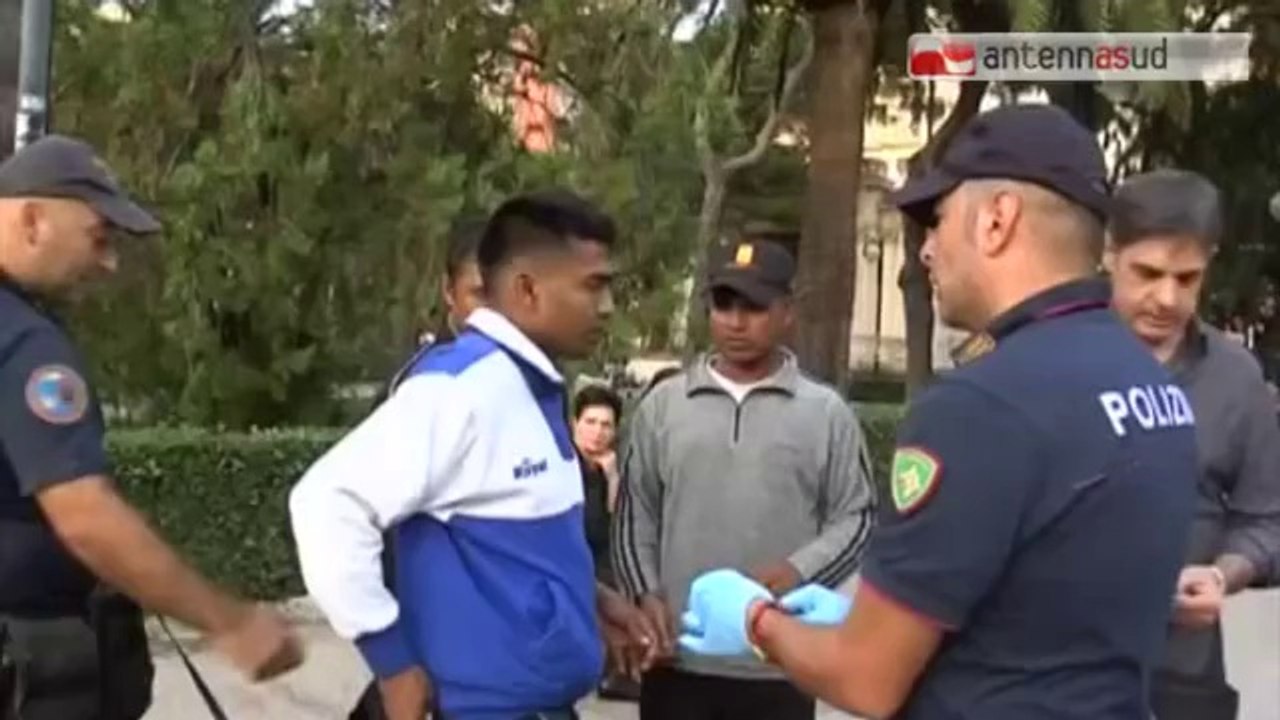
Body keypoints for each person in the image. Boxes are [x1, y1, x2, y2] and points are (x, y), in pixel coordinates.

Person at [673, 105, 1202, 720]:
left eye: (939, 219)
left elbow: (866, 679)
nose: (926, 249)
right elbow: (1057, 599)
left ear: (998, 220)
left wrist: (754, 620)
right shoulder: (1151, 381)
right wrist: (870, 614)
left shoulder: (980, 405)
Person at [290, 189, 657, 720]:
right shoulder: (460, 390)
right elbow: (326, 504)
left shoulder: (534, 388)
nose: (608, 307)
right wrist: (393, 664)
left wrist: (591, 599)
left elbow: (513, 544)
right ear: (527, 289)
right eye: (593, 286)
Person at [0, 135, 302, 720]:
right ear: (33, 220)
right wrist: (231, 621)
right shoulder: (26, 345)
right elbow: (85, 515)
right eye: (99, 237)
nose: (108, 263)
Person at [611, 238, 876, 720]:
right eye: (724, 305)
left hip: (779, 661)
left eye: (753, 307)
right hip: (679, 662)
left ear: (787, 313)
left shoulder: (824, 413)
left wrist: (797, 571)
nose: (735, 321)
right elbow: (636, 515)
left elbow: (855, 518)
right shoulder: (664, 406)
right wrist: (645, 595)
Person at [1106, 169, 1280, 720]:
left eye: (1187, 278)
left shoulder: (1237, 378)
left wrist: (1222, 575)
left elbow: (1266, 521)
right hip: (1061, 669)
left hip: (1188, 677)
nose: (1166, 298)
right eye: (1148, 273)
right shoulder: (1052, 359)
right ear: (1108, 253)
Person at [348, 215, 487, 720]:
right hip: (431, 648)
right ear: (449, 293)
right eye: (477, 295)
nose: (489, 317)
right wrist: (397, 651)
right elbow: (352, 516)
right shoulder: (419, 388)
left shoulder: (532, 388)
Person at [572, 384, 623, 515]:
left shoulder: (616, 467)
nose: (598, 431)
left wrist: (612, 478)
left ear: (615, 431)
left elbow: (617, 522)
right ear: (575, 423)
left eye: (606, 425)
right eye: (590, 422)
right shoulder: (564, 465)